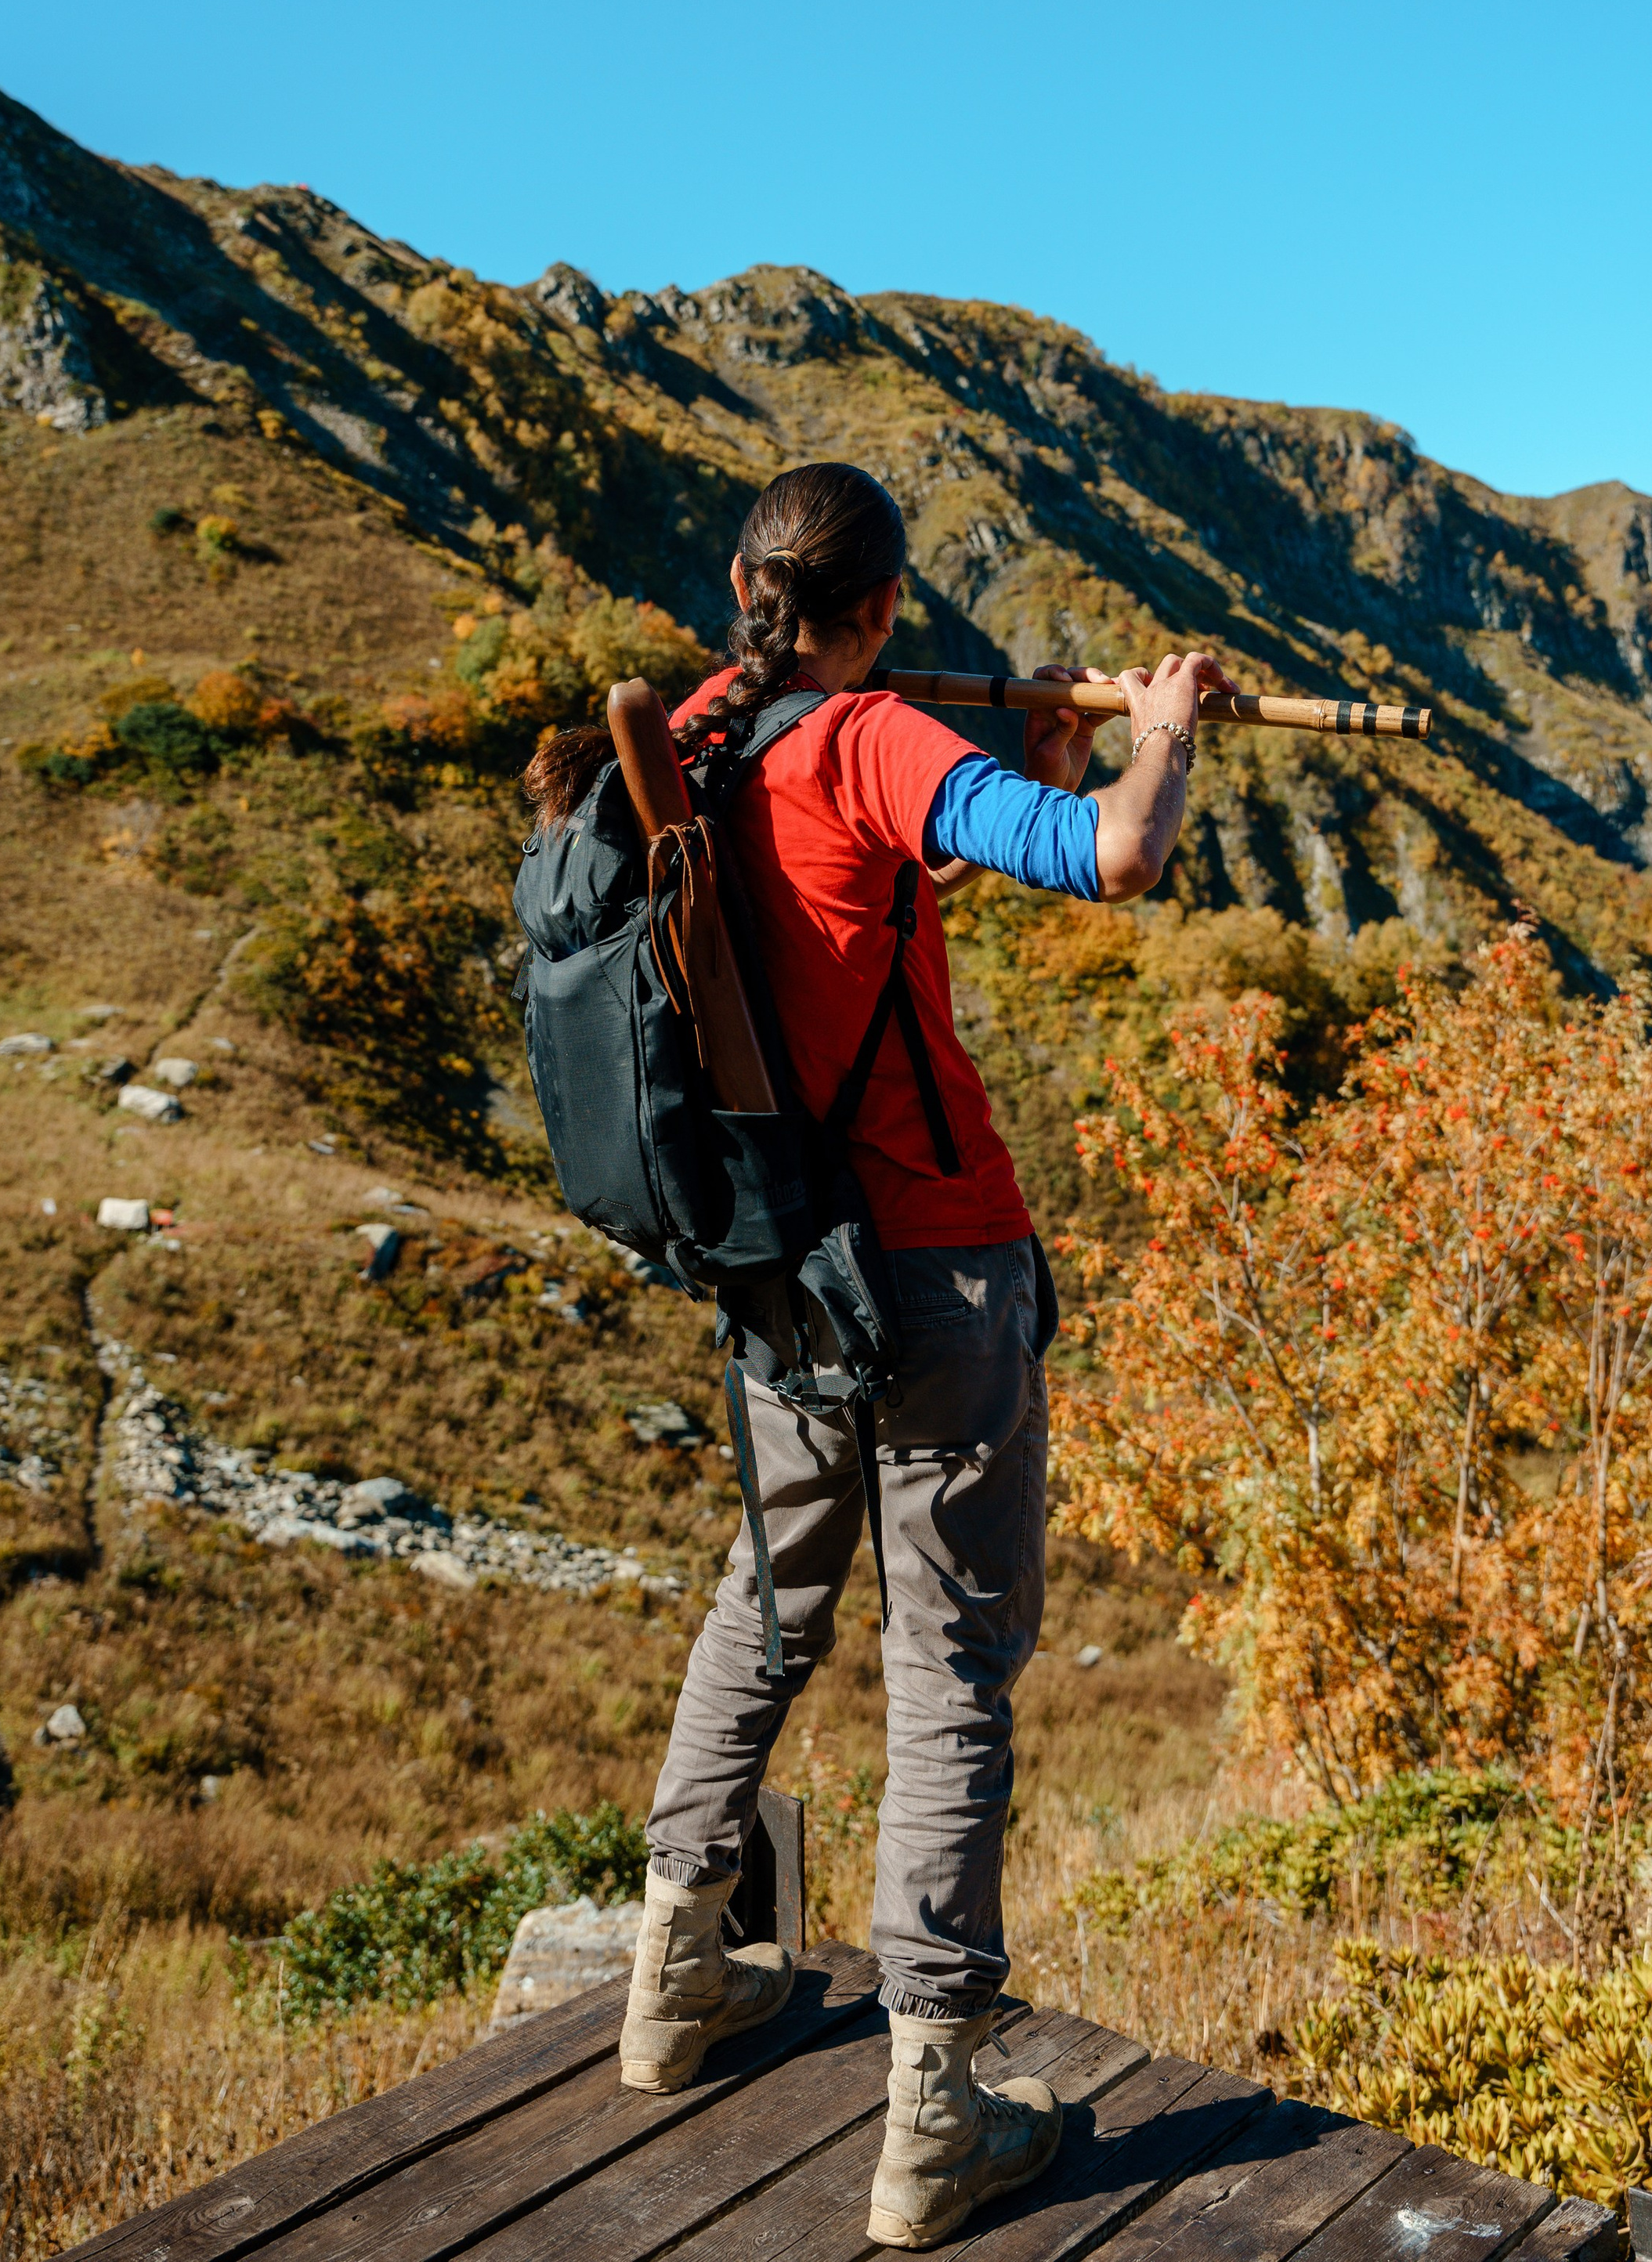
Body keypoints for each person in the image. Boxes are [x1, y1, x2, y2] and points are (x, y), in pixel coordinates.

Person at [613, 461, 1228, 2250]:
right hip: (935, 1268)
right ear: (879, 611)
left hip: (774, 1257)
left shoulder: (707, 733)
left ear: (746, 583)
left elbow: (865, 901)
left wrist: (1031, 749)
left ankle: (672, 1980)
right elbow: (1118, 855)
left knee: (768, 1599)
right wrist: (1164, 730)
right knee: (948, 1664)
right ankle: (934, 2114)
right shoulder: (873, 740)